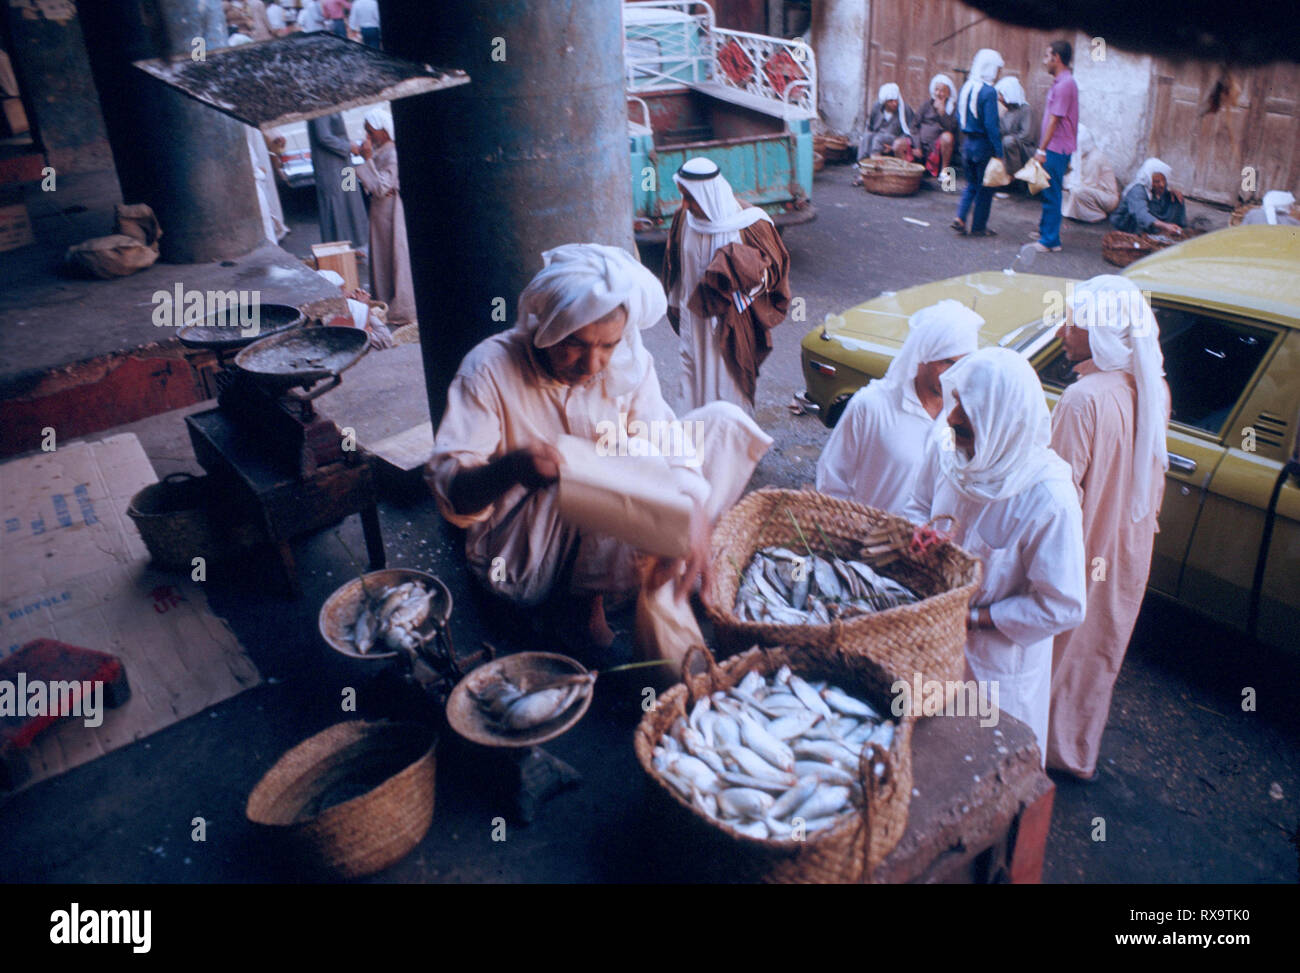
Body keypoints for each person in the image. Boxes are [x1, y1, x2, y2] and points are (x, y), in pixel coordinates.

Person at [426, 244, 772, 650]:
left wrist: (692, 507)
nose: (592, 365)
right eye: (574, 343)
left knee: (723, 425)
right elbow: (454, 499)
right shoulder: (488, 369)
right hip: (524, 551)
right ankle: (582, 609)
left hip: (604, 520)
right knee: (621, 459)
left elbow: (663, 435)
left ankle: (658, 566)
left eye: (607, 345)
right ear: (546, 328)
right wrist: (513, 467)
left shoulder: (627, 360)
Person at [905, 348, 1087, 763]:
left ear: (1002, 420)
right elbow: (915, 505)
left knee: (986, 768)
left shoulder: (1048, 499)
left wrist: (971, 619)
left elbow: (1063, 606)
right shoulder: (948, 449)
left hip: (995, 672)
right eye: (955, 404)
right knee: (924, 759)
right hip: (931, 648)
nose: (952, 418)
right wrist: (920, 533)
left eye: (968, 411)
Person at [1046, 276, 1170, 781]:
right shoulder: (1152, 385)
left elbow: (1056, 498)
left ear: (1100, 331)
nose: (1062, 331)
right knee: (1098, 651)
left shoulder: (1084, 400)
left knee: (1057, 649)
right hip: (1128, 545)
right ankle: (1075, 752)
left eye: (1073, 321)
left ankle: (1032, 748)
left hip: (1082, 545)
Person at [816, 300, 982, 517]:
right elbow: (832, 480)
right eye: (947, 363)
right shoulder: (872, 405)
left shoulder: (964, 419)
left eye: (964, 364)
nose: (955, 374)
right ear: (923, 356)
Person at [661, 157, 791, 414]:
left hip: (729, 324)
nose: (685, 205)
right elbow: (676, 267)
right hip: (693, 323)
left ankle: (733, 444)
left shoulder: (750, 223)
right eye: (683, 196)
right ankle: (694, 444)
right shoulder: (683, 219)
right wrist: (674, 304)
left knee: (729, 383)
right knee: (693, 381)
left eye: (690, 198)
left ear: (707, 194)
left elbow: (773, 273)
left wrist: (740, 276)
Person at [354, 109, 415, 326]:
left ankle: (401, 307)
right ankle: (384, 301)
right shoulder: (383, 151)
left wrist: (367, 159)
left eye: (371, 132)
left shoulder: (392, 154)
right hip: (381, 212)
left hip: (390, 213)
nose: (368, 137)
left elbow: (380, 187)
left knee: (394, 256)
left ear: (383, 131)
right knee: (382, 258)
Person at [1029, 40, 1079, 253]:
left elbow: (1054, 120)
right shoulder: (1061, 82)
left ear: (1057, 58)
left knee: (1051, 192)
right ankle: (1045, 231)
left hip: (1056, 148)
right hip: (1056, 146)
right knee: (1047, 189)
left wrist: (1041, 149)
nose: (1044, 61)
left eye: (1047, 56)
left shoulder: (1065, 84)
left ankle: (1050, 240)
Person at [951, 48, 1004, 238]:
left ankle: (960, 217)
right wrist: (999, 152)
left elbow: (959, 116)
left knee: (971, 185)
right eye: (997, 69)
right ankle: (979, 226)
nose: (998, 74)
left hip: (967, 144)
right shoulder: (988, 92)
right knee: (986, 188)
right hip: (983, 146)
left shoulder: (966, 88)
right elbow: (991, 125)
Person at [308, 112, 369, 250]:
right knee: (337, 207)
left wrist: (349, 145)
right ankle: (339, 250)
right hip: (330, 167)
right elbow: (323, 136)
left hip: (344, 163)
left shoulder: (330, 104)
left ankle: (354, 246)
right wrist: (348, 147)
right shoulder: (319, 107)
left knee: (352, 203)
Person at [1110, 158, 1186, 236]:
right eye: (1157, 181)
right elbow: (1141, 214)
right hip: (1127, 223)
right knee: (1140, 216)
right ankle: (1145, 234)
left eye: (1164, 180)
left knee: (1176, 198)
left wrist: (1172, 192)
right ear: (1149, 179)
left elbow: (1161, 197)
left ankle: (1176, 230)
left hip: (1149, 215)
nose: (1162, 185)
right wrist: (1165, 226)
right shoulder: (1137, 190)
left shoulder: (1158, 187)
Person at [1062, 125, 1120, 222]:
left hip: (1107, 197)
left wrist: (1068, 185)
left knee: (1077, 191)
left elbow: (1088, 184)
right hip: (1091, 190)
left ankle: (1097, 215)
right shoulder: (1082, 156)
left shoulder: (1095, 158)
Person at [914, 73, 959, 177]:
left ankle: (944, 172)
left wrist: (942, 113)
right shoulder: (926, 105)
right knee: (899, 144)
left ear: (948, 93)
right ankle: (910, 174)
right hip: (922, 144)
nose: (939, 93)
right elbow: (914, 126)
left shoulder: (952, 108)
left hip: (938, 147)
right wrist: (917, 146)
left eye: (943, 91)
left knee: (947, 137)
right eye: (937, 90)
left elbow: (951, 129)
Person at [858, 83, 916, 161]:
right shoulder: (877, 107)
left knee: (878, 139)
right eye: (891, 101)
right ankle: (862, 163)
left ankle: (876, 161)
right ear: (884, 102)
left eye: (896, 100)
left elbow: (910, 131)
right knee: (866, 137)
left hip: (895, 138)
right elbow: (870, 127)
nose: (895, 103)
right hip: (877, 137)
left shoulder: (905, 109)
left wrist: (895, 145)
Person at [994, 77, 1035, 178]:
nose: (999, 98)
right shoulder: (1006, 111)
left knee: (1008, 141)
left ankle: (1015, 177)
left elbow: (1026, 136)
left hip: (1024, 150)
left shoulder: (1026, 110)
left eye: (1002, 95)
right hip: (1008, 147)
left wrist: (1007, 139)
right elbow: (1000, 131)